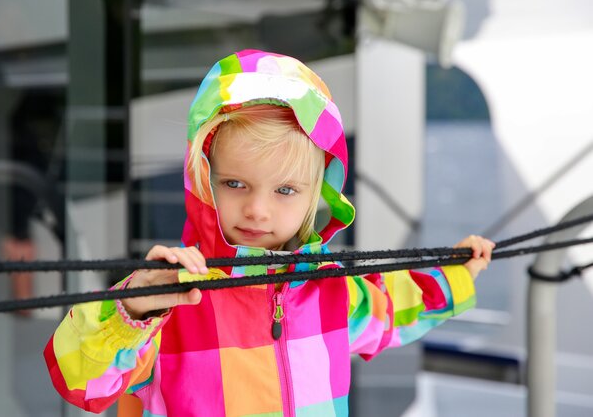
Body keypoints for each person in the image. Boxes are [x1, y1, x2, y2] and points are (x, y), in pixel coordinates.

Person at [44, 50, 494, 416]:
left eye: (285, 190)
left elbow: (394, 307)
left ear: (318, 194)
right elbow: (81, 382)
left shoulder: (331, 289)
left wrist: (454, 273)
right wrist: (132, 309)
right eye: (235, 184)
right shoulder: (168, 295)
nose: (257, 210)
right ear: (204, 179)